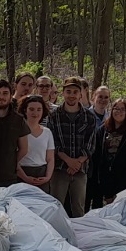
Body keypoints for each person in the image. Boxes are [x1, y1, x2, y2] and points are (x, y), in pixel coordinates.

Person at [48, 77, 95, 217]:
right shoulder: (54, 116)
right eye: (68, 91)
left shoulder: (89, 117)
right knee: (56, 207)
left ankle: (79, 237)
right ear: (63, 93)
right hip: (59, 169)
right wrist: (68, 160)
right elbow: (53, 142)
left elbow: (91, 144)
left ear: (81, 94)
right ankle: (56, 236)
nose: (72, 95)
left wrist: (77, 162)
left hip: (80, 170)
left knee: (79, 208)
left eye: (75, 92)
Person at [88, 99, 126, 209]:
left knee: (121, 207)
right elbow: (97, 152)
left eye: (122, 109)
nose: (119, 111)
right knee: (106, 206)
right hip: (105, 175)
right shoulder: (103, 129)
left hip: (125, 175)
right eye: (116, 108)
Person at [17, 95, 55, 193]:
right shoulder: (17, 131)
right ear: (25, 110)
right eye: (32, 109)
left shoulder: (47, 132)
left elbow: (50, 158)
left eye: (39, 109)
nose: (35, 113)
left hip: (42, 174)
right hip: (21, 174)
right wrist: (25, 177)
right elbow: (12, 159)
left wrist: (47, 177)